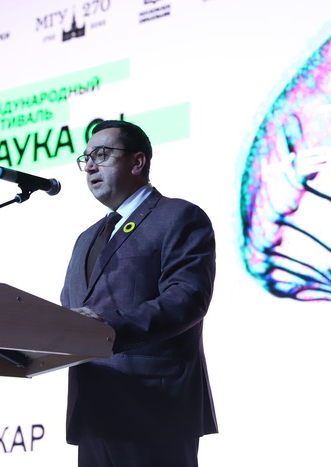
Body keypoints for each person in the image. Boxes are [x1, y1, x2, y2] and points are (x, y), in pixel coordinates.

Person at [60, 119, 218, 467]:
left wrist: (107, 328)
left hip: (155, 407)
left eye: (101, 155)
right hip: (93, 411)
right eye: (86, 158)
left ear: (137, 162)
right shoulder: (85, 239)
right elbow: (69, 309)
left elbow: (187, 299)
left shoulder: (179, 217)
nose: (90, 166)